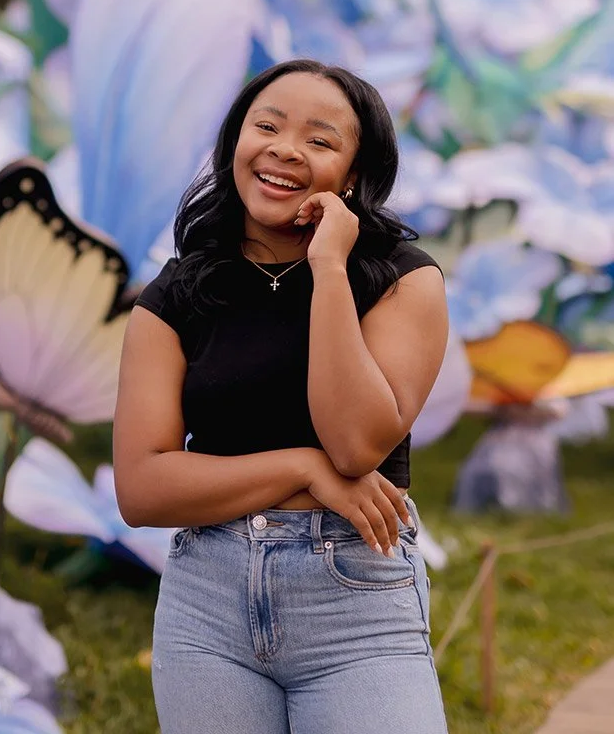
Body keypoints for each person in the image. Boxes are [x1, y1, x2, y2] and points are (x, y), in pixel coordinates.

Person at [113, 58, 450, 734]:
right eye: (265, 126)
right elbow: (143, 489)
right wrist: (303, 471)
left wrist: (327, 267)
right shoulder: (175, 296)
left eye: (320, 141)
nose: (284, 149)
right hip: (206, 602)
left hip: (353, 596)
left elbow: (356, 444)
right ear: (235, 142)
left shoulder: (400, 282)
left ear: (352, 176)